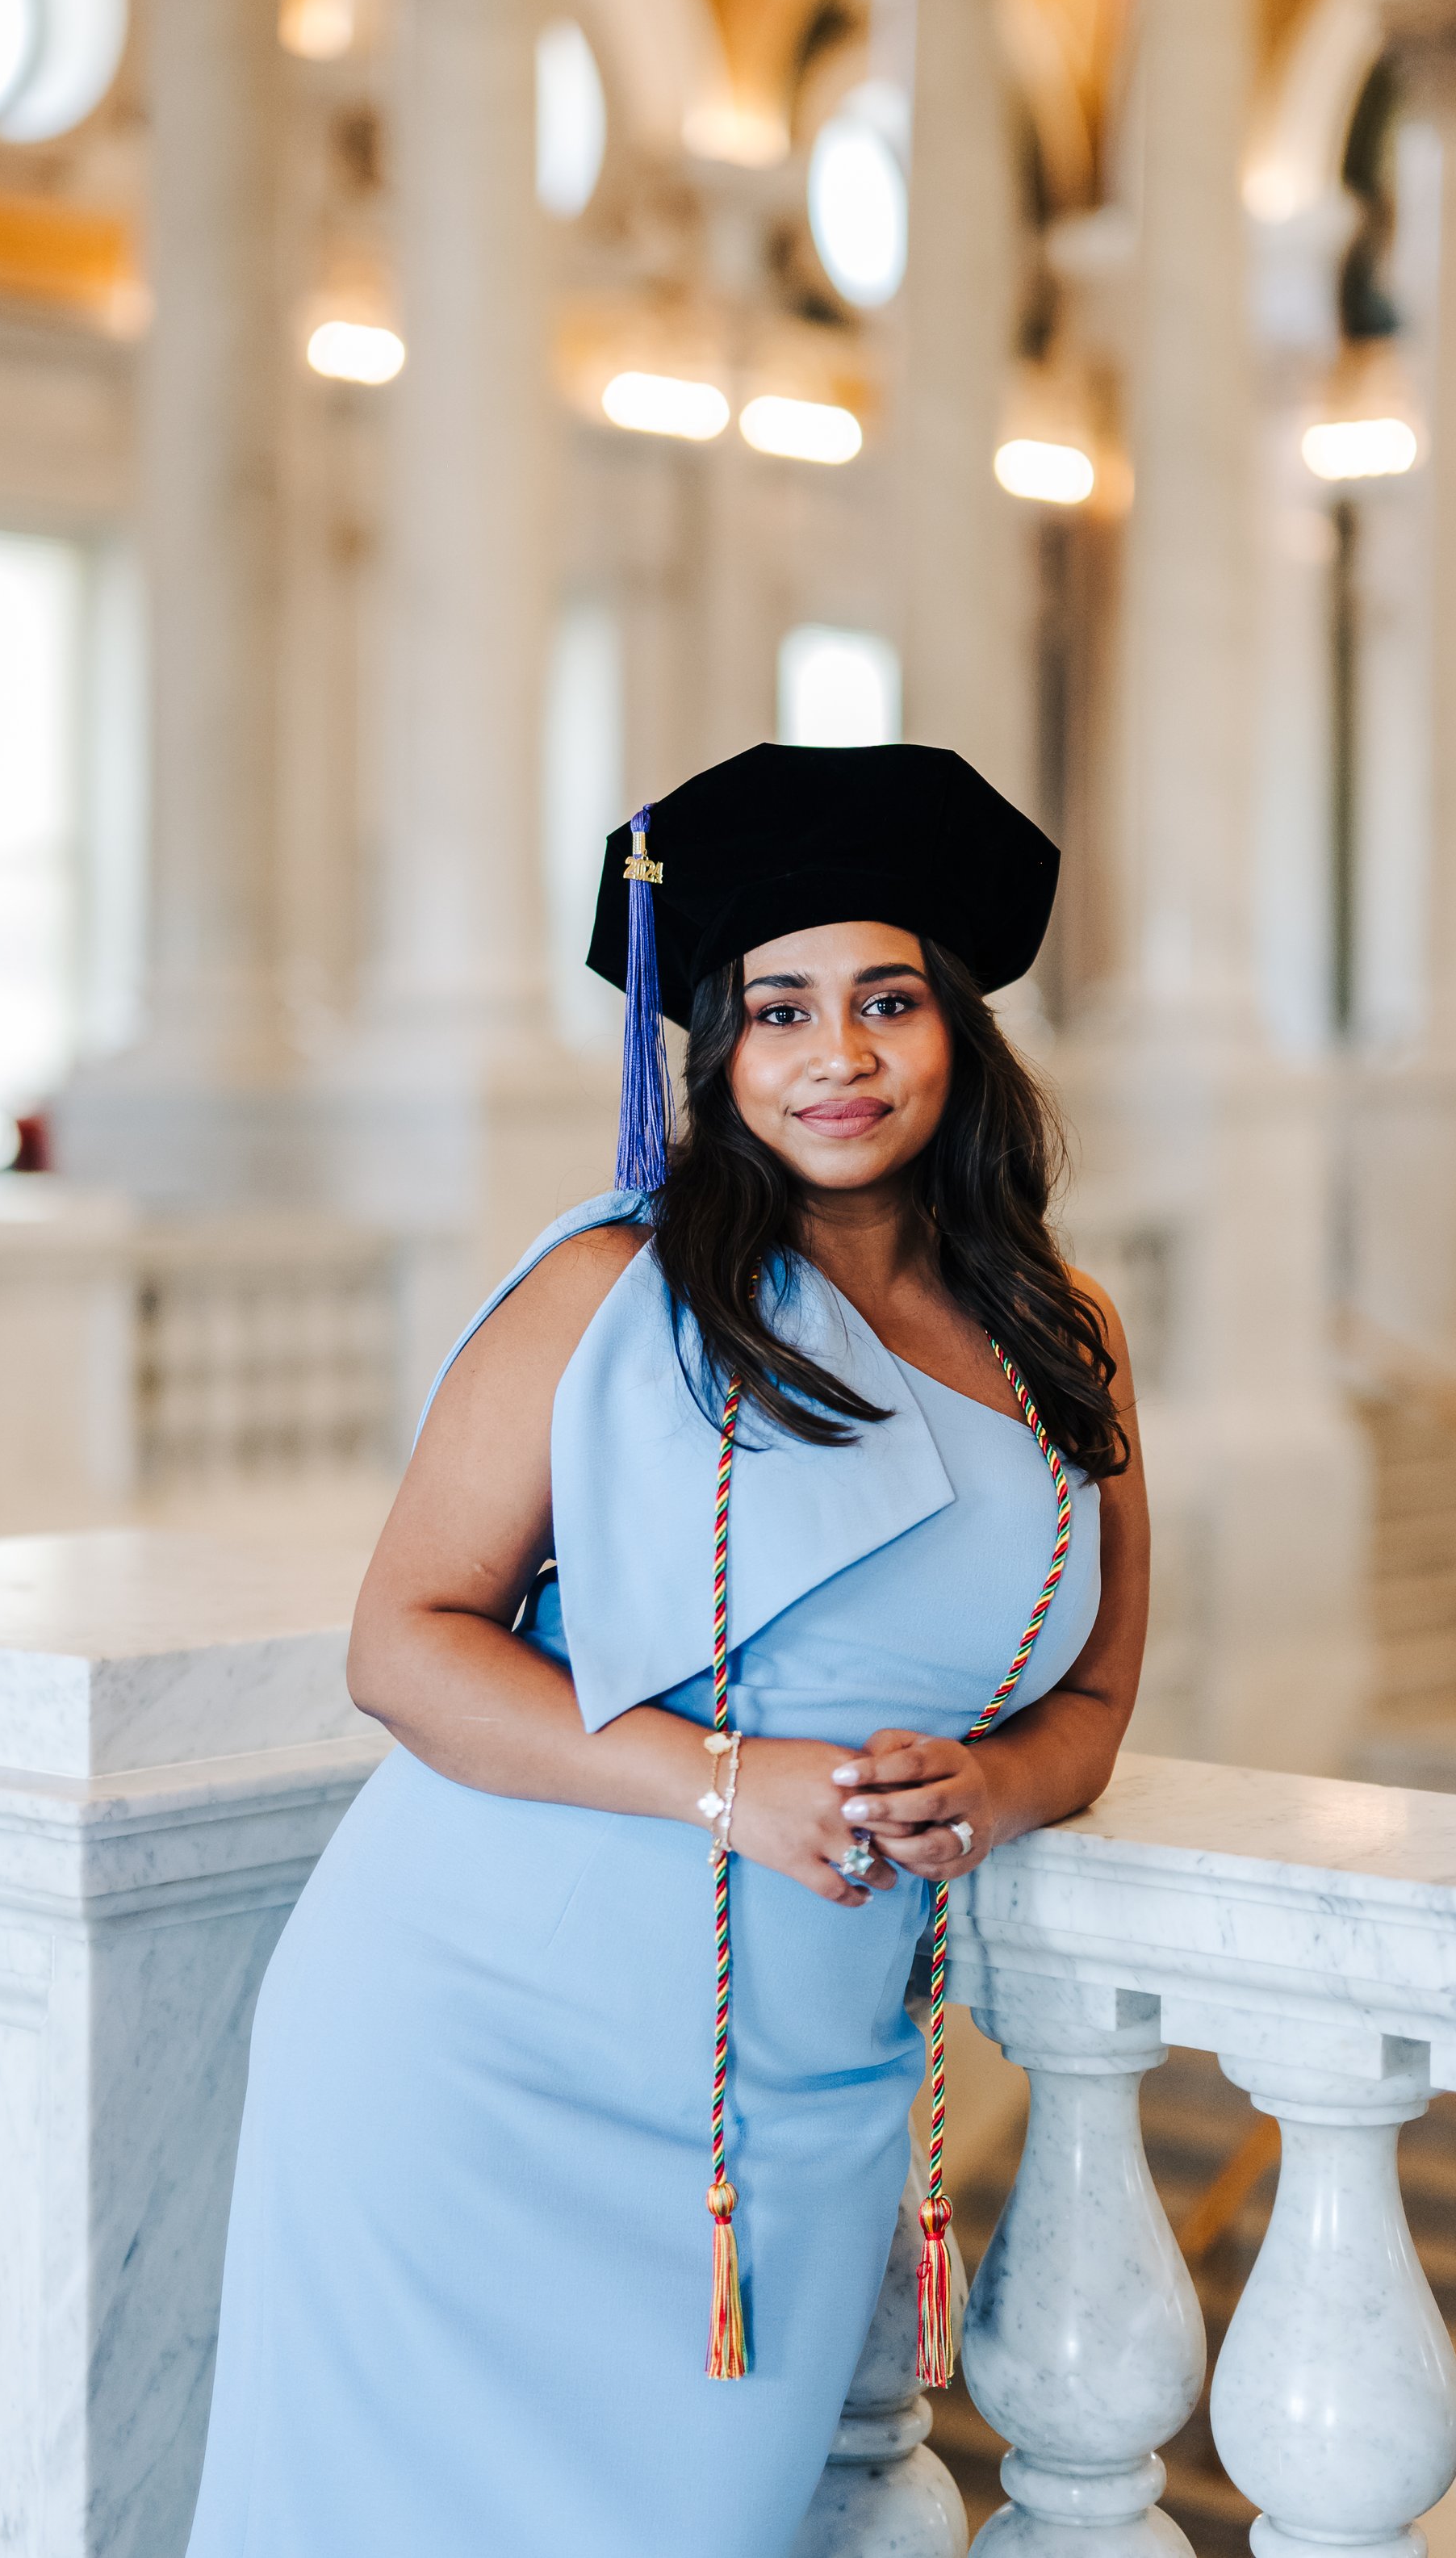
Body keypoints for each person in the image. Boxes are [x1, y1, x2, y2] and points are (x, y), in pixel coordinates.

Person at [182, 742, 1149, 2558]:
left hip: (798, 2085)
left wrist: (999, 1784)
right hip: (475, 2037)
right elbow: (403, 1647)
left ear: (958, 1033)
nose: (836, 1056)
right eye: (778, 1010)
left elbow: (1091, 1699)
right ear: (715, 1052)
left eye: (886, 1001)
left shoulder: (1056, 1331)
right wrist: (732, 1783)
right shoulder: (606, 1290)